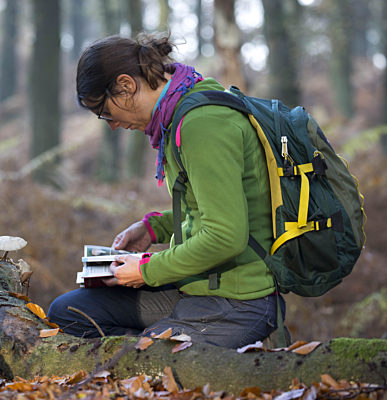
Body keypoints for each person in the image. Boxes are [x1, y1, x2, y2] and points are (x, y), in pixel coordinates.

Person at [47, 33, 284, 349]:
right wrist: (153, 227)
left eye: (105, 113)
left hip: (238, 302)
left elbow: (226, 235)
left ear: (126, 85)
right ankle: (164, 339)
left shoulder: (203, 123)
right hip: (194, 288)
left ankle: (164, 345)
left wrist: (146, 270)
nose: (113, 125)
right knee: (68, 312)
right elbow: (212, 208)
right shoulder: (180, 115)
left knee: (144, 361)